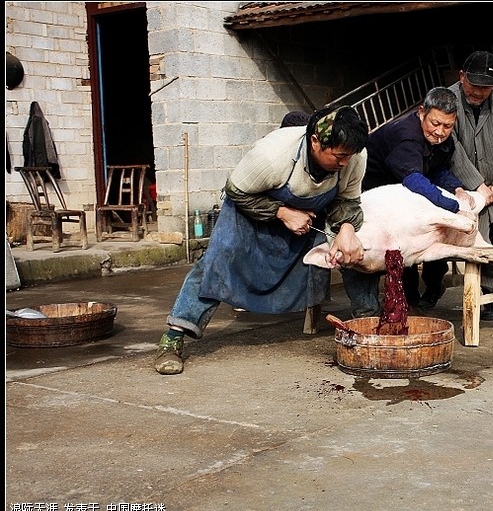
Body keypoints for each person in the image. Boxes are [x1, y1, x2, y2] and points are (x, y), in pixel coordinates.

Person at [153, 105, 369, 375]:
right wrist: (282, 212)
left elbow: (347, 200)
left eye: (350, 156)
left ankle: (369, 321)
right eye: (339, 156)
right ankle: (173, 338)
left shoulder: (354, 157)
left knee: (344, 254)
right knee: (218, 262)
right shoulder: (272, 155)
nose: (345, 163)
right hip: (250, 209)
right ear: (315, 141)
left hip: (304, 223)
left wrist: (347, 229)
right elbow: (237, 191)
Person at [340, 86, 475, 317]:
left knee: (421, 243)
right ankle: (368, 310)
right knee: (367, 254)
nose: (441, 132)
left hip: (402, 198)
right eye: (435, 123)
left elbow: (437, 170)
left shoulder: (444, 141)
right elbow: (415, 179)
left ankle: (419, 296)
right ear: (422, 112)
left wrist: (458, 189)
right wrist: (452, 208)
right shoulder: (406, 136)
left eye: (448, 126)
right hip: (370, 197)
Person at [444, 50, 493, 320]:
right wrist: (477, 185)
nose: (478, 93)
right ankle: (431, 286)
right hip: (456, 183)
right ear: (462, 76)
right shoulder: (447, 99)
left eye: (486, 88)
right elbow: (451, 148)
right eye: (474, 86)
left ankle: (486, 293)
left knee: (491, 232)